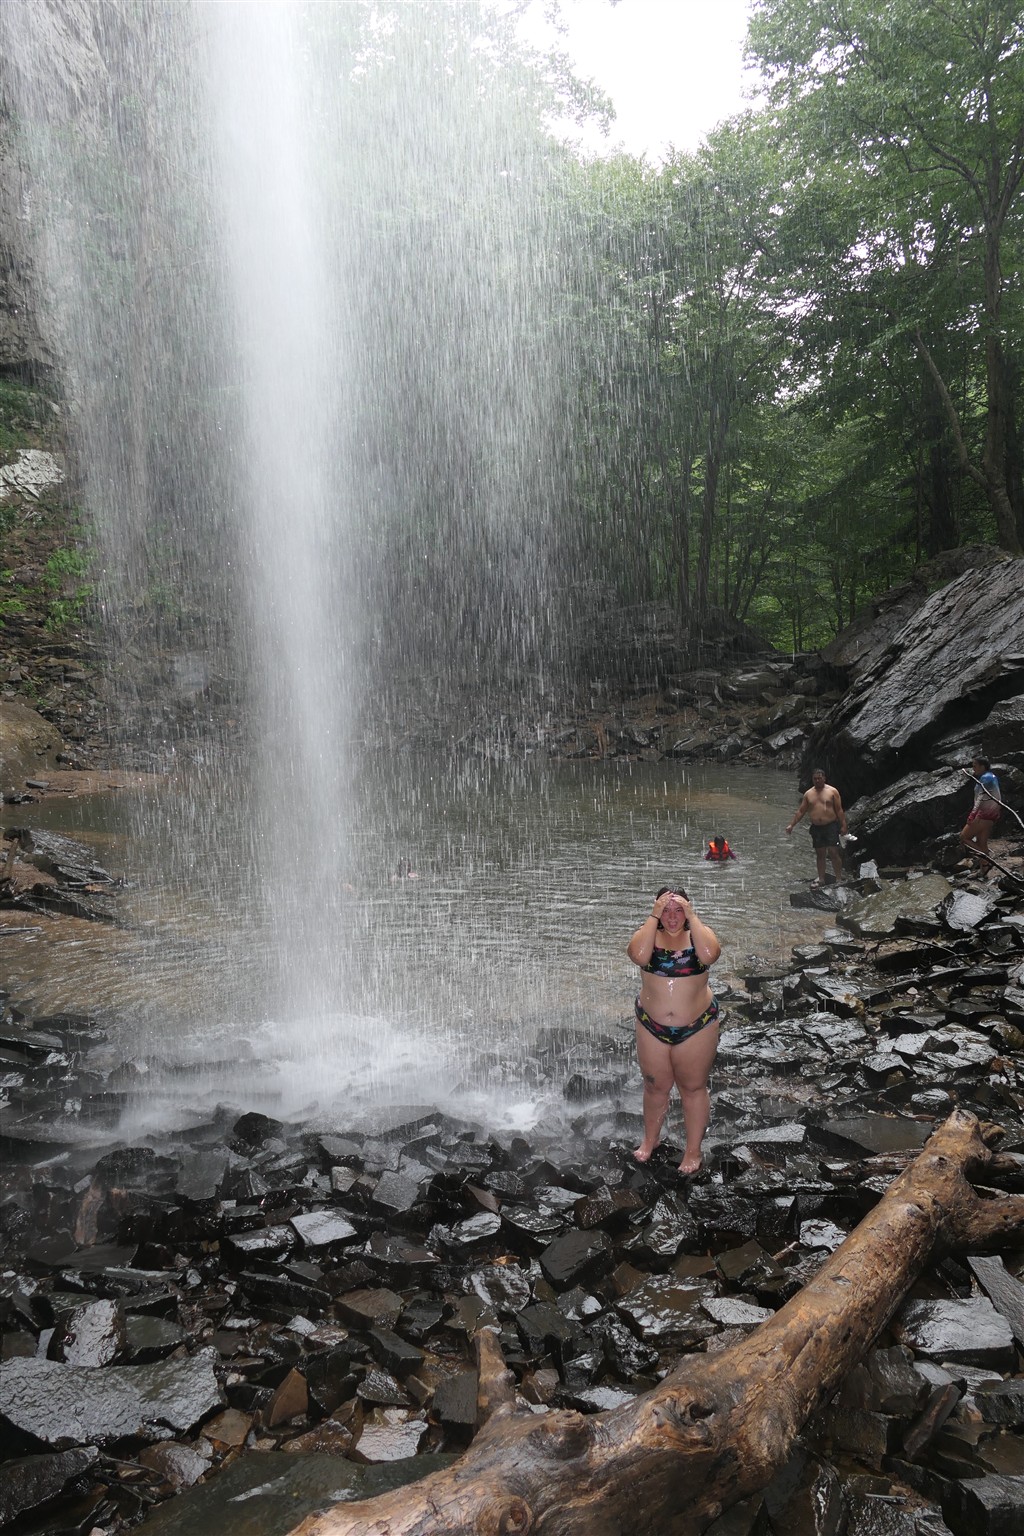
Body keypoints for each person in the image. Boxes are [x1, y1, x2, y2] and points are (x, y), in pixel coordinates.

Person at [626, 886, 722, 1174]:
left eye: (678, 910)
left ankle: (693, 1152)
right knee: (655, 1086)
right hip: (651, 1025)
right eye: (665, 910)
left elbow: (710, 955)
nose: (671, 916)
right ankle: (650, 1140)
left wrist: (692, 916)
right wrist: (654, 914)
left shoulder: (700, 935)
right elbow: (639, 956)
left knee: (692, 1088)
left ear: (688, 910)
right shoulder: (647, 934)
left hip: (697, 1026)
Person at [785, 768, 848, 886]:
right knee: (820, 854)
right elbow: (801, 811)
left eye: (819, 778)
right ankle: (821, 879)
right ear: (812, 780)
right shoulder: (808, 794)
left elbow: (839, 810)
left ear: (824, 778)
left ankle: (838, 879)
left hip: (831, 826)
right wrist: (791, 825)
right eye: (815, 779)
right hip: (816, 828)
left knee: (834, 853)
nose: (817, 781)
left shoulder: (832, 791)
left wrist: (843, 825)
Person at [959, 757, 1001, 869]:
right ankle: (984, 870)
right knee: (981, 843)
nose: (973, 769)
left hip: (983, 815)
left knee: (964, 837)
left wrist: (972, 815)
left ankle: (988, 859)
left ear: (982, 766)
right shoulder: (992, 776)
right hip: (992, 815)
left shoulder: (985, 778)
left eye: (975, 766)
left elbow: (980, 798)